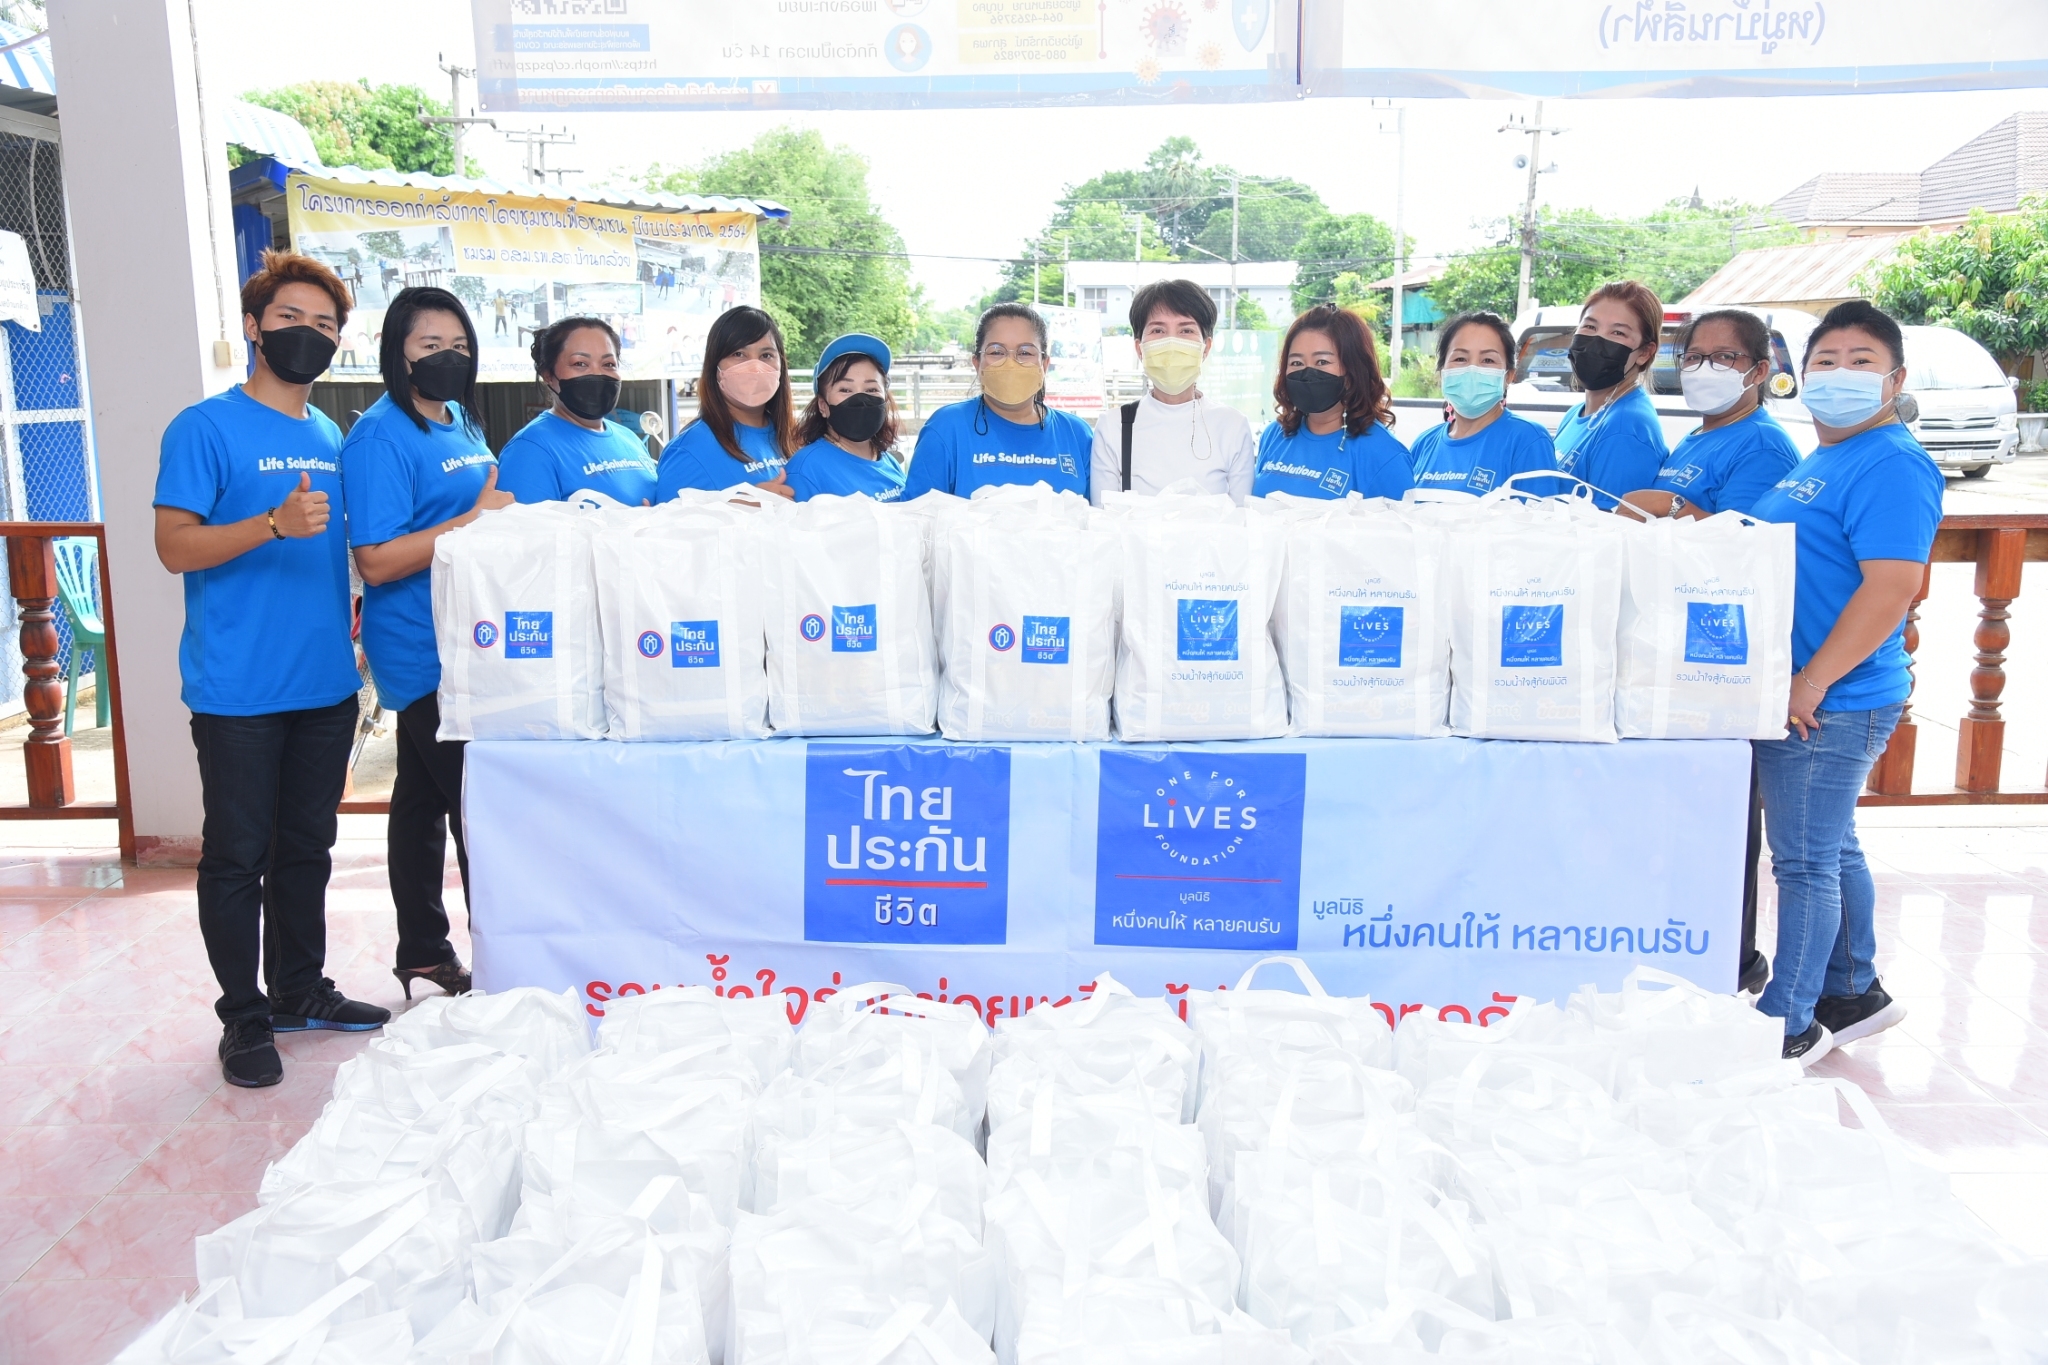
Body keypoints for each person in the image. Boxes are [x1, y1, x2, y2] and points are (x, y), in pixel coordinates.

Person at [154, 250, 389, 1090]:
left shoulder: (329, 435)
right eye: (291, 318)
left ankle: (299, 989)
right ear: (254, 326)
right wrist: (271, 524)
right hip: (238, 690)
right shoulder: (204, 427)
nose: (308, 334)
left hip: (324, 684)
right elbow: (173, 546)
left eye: (325, 325)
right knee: (236, 858)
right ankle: (244, 1018)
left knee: (307, 849)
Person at [1746, 300, 1942, 1065]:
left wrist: (1812, 681)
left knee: (1803, 862)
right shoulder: (1826, 454)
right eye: (1825, 360)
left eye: (1862, 361)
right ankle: (1853, 990)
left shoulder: (1892, 461)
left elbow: (1892, 587)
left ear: (1896, 379)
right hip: (1817, 690)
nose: (1840, 374)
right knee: (1830, 844)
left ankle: (1788, 1021)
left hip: (1835, 698)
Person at [339, 287, 512, 1004]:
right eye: (430, 346)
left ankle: (423, 950)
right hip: (422, 645)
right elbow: (376, 560)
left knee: (418, 801)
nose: (449, 358)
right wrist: (474, 520)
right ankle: (504, 958)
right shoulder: (380, 437)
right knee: (478, 810)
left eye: (459, 346)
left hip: (468, 640)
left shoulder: (459, 418)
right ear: (397, 353)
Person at [1615, 308, 1801, 520]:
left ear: (1759, 371)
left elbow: (1746, 536)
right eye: (1694, 357)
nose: (1704, 367)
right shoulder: (1700, 434)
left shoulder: (1761, 447)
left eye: (1724, 356)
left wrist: (1671, 506)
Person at [1089, 279, 1256, 504]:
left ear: (1206, 347)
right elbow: (1103, 516)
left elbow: (1242, 516)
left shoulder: (1232, 425)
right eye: (1158, 330)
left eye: (1186, 330)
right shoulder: (1113, 425)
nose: (1171, 342)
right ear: (1139, 348)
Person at [902, 303, 1093, 500]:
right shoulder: (946, 428)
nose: (1011, 363)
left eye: (1025, 352)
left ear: (1044, 364)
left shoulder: (1077, 434)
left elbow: (1098, 514)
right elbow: (917, 512)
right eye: (996, 352)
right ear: (977, 363)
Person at [1250, 304, 1413, 501]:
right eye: (1296, 363)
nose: (1307, 372)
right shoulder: (1275, 435)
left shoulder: (1384, 454)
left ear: (1353, 371)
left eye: (1322, 362)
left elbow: (1402, 520)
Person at [496, 317, 658, 505]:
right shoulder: (530, 450)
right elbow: (524, 523)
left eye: (608, 364)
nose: (597, 374)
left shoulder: (629, 439)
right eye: (580, 364)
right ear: (548, 375)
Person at [1406, 310, 1559, 497]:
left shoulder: (1528, 440)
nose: (1472, 369)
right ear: (1442, 371)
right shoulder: (1423, 444)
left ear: (1509, 375)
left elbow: (1541, 513)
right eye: (1460, 359)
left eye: (1488, 360)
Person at [1551, 281, 1670, 510]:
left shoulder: (1625, 427)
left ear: (1645, 352)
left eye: (1618, 333)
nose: (1597, 341)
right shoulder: (1577, 413)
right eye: (1590, 327)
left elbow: (1610, 524)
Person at [658, 305, 795, 500]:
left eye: (766, 355)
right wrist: (742, 505)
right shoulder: (689, 451)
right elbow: (668, 519)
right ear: (715, 367)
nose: (755, 367)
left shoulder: (792, 437)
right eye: (738, 354)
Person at [786, 332, 908, 502]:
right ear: (823, 406)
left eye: (871, 389)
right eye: (845, 390)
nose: (860, 399)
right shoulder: (805, 470)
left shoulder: (887, 460)